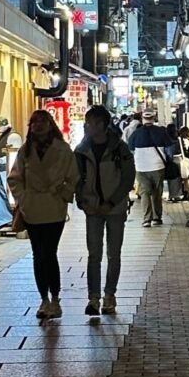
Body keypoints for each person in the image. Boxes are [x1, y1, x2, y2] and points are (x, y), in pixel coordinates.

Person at [7, 109, 78, 319]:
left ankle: (55, 299)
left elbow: (73, 176)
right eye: (34, 122)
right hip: (32, 208)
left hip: (54, 207)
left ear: (50, 125)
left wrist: (63, 193)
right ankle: (43, 299)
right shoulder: (25, 151)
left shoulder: (62, 149)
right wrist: (24, 198)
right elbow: (15, 178)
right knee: (38, 254)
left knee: (50, 252)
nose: (38, 126)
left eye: (42, 122)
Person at [74, 106, 136, 316]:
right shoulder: (81, 151)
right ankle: (93, 299)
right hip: (92, 208)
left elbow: (128, 179)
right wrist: (82, 201)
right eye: (87, 122)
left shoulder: (120, 149)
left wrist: (112, 202)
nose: (87, 126)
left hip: (115, 208)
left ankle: (109, 295)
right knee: (94, 255)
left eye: (91, 123)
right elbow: (77, 179)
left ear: (102, 125)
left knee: (114, 254)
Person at [128, 109, 171, 227]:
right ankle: (157, 218)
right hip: (158, 166)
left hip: (141, 167)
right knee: (157, 192)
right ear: (153, 118)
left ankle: (147, 219)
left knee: (145, 193)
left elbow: (130, 149)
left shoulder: (136, 133)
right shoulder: (161, 131)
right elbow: (169, 149)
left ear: (142, 119)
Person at [177, 126, 189, 201]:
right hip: (188, 160)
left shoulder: (185, 140)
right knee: (186, 178)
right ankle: (188, 192)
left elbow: (185, 150)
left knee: (186, 178)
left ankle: (188, 192)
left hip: (186, 160)